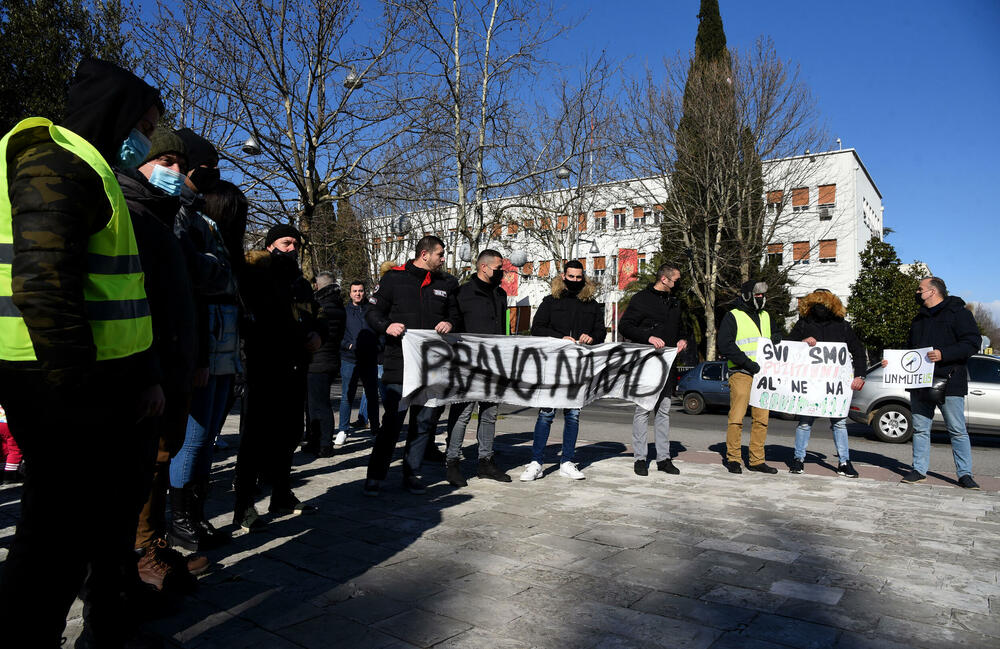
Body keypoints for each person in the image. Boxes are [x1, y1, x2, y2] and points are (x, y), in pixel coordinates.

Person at [0, 58, 165, 649]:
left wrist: (142, 375)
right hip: (58, 379)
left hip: (97, 377)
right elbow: (43, 285)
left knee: (96, 520)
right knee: (54, 534)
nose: (144, 139)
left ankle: (108, 630)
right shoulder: (55, 160)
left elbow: (117, 293)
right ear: (117, 115)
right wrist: (80, 387)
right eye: (142, 123)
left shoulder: (88, 167)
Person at [116, 128, 207, 588]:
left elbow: (185, 297)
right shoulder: (128, 211)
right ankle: (134, 554)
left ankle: (149, 544)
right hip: (146, 366)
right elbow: (133, 300)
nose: (175, 173)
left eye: (179, 164)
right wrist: (148, 370)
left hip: (174, 364)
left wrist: (194, 357)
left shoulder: (169, 217)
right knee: (142, 463)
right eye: (165, 162)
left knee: (160, 458)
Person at [169, 180, 248, 549]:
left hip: (225, 349)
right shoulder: (195, 227)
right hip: (206, 349)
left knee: (206, 440)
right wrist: (198, 357)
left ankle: (195, 515)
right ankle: (181, 519)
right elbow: (193, 298)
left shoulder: (217, 237)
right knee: (194, 438)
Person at [233, 224, 325, 530]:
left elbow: (313, 313)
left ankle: (282, 494)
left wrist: (316, 334)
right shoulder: (255, 272)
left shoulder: (299, 280)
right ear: (270, 244)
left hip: (295, 365)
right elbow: (254, 320)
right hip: (262, 365)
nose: (293, 248)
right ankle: (244, 504)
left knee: (290, 432)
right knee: (255, 437)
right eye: (286, 242)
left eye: (296, 244)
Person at [364, 236, 459, 496]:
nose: (443, 258)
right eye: (440, 254)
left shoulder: (447, 283)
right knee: (392, 423)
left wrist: (450, 323)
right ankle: (375, 476)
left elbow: (455, 315)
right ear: (424, 254)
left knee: (425, 422)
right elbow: (372, 313)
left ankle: (412, 473)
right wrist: (387, 326)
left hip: (432, 367)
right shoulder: (394, 279)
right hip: (399, 365)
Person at [890, 277, 981, 488]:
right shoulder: (918, 319)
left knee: (957, 430)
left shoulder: (959, 313)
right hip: (920, 381)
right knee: (921, 428)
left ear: (933, 291)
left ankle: (965, 474)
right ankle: (919, 470)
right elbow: (910, 350)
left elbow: (972, 343)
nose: (917, 292)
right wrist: (893, 363)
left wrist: (944, 354)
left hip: (950, 380)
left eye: (920, 289)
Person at [520, 260, 606, 482]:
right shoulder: (550, 301)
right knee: (546, 413)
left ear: (584, 277)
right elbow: (537, 328)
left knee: (573, 415)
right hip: (552, 365)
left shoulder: (592, 304)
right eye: (572, 277)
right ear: (563, 276)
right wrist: (560, 338)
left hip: (578, 368)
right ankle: (536, 462)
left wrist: (592, 337)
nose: (575, 281)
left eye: (579, 277)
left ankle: (567, 461)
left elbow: (601, 332)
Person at [444, 250, 512, 487]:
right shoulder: (463, 293)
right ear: (483, 267)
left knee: (490, 413)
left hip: (494, 364)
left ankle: (486, 461)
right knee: (462, 413)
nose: (501, 273)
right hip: (467, 364)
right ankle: (452, 461)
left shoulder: (500, 294)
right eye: (498, 268)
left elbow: (503, 329)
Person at [786, 289, 867, 478]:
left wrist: (860, 375)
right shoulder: (804, 324)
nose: (820, 308)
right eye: (816, 304)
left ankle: (844, 462)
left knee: (839, 423)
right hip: (811, 384)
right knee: (805, 423)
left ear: (831, 304)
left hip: (835, 386)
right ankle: (798, 459)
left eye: (823, 304)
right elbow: (787, 346)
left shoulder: (842, 326)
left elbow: (858, 350)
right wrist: (802, 342)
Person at [619, 263, 689, 476]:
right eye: (675, 280)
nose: (678, 284)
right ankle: (640, 458)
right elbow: (625, 326)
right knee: (643, 410)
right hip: (647, 363)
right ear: (664, 280)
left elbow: (682, 328)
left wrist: (683, 340)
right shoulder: (641, 299)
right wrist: (648, 337)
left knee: (664, 410)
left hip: (668, 364)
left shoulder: (676, 301)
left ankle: (663, 458)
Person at [717, 280, 780, 474]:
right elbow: (725, 345)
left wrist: (778, 338)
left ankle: (756, 460)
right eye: (757, 295)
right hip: (741, 372)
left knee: (762, 419)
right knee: (737, 417)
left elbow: (776, 335)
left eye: (762, 295)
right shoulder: (733, 316)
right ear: (746, 295)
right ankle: (734, 458)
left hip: (763, 375)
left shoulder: (766, 316)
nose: (761, 298)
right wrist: (747, 363)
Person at [334, 280, 380, 450]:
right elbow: (337, 334)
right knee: (347, 395)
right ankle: (343, 430)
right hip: (349, 359)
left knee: (372, 396)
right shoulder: (344, 312)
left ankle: (375, 430)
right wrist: (348, 345)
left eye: (360, 291)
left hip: (369, 359)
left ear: (364, 292)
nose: (358, 294)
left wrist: (378, 346)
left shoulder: (372, 310)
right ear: (350, 293)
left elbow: (380, 330)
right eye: (355, 291)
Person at [305, 271, 346, 456]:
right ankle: (318, 440)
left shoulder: (322, 307)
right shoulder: (338, 305)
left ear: (319, 286)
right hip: (329, 359)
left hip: (318, 360)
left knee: (318, 405)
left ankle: (323, 443)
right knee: (317, 403)